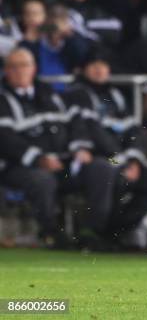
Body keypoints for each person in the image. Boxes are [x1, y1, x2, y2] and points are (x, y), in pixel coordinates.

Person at [0, 48, 116, 248]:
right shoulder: (3, 99)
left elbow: (75, 123)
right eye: (13, 66)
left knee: (102, 168)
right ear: (6, 71)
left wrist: (80, 148)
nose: (19, 71)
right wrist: (38, 158)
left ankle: (92, 231)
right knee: (41, 180)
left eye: (24, 65)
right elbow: (5, 139)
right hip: (20, 167)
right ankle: (51, 233)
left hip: (64, 162)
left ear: (34, 68)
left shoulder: (52, 94)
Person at [63, 49, 147, 242]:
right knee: (107, 171)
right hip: (96, 157)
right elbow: (89, 129)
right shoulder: (77, 93)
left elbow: (133, 131)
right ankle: (94, 231)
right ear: (83, 69)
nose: (99, 69)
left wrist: (135, 160)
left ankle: (117, 230)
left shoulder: (116, 95)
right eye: (94, 65)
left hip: (123, 159)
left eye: (103, 65)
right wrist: (121, 160)